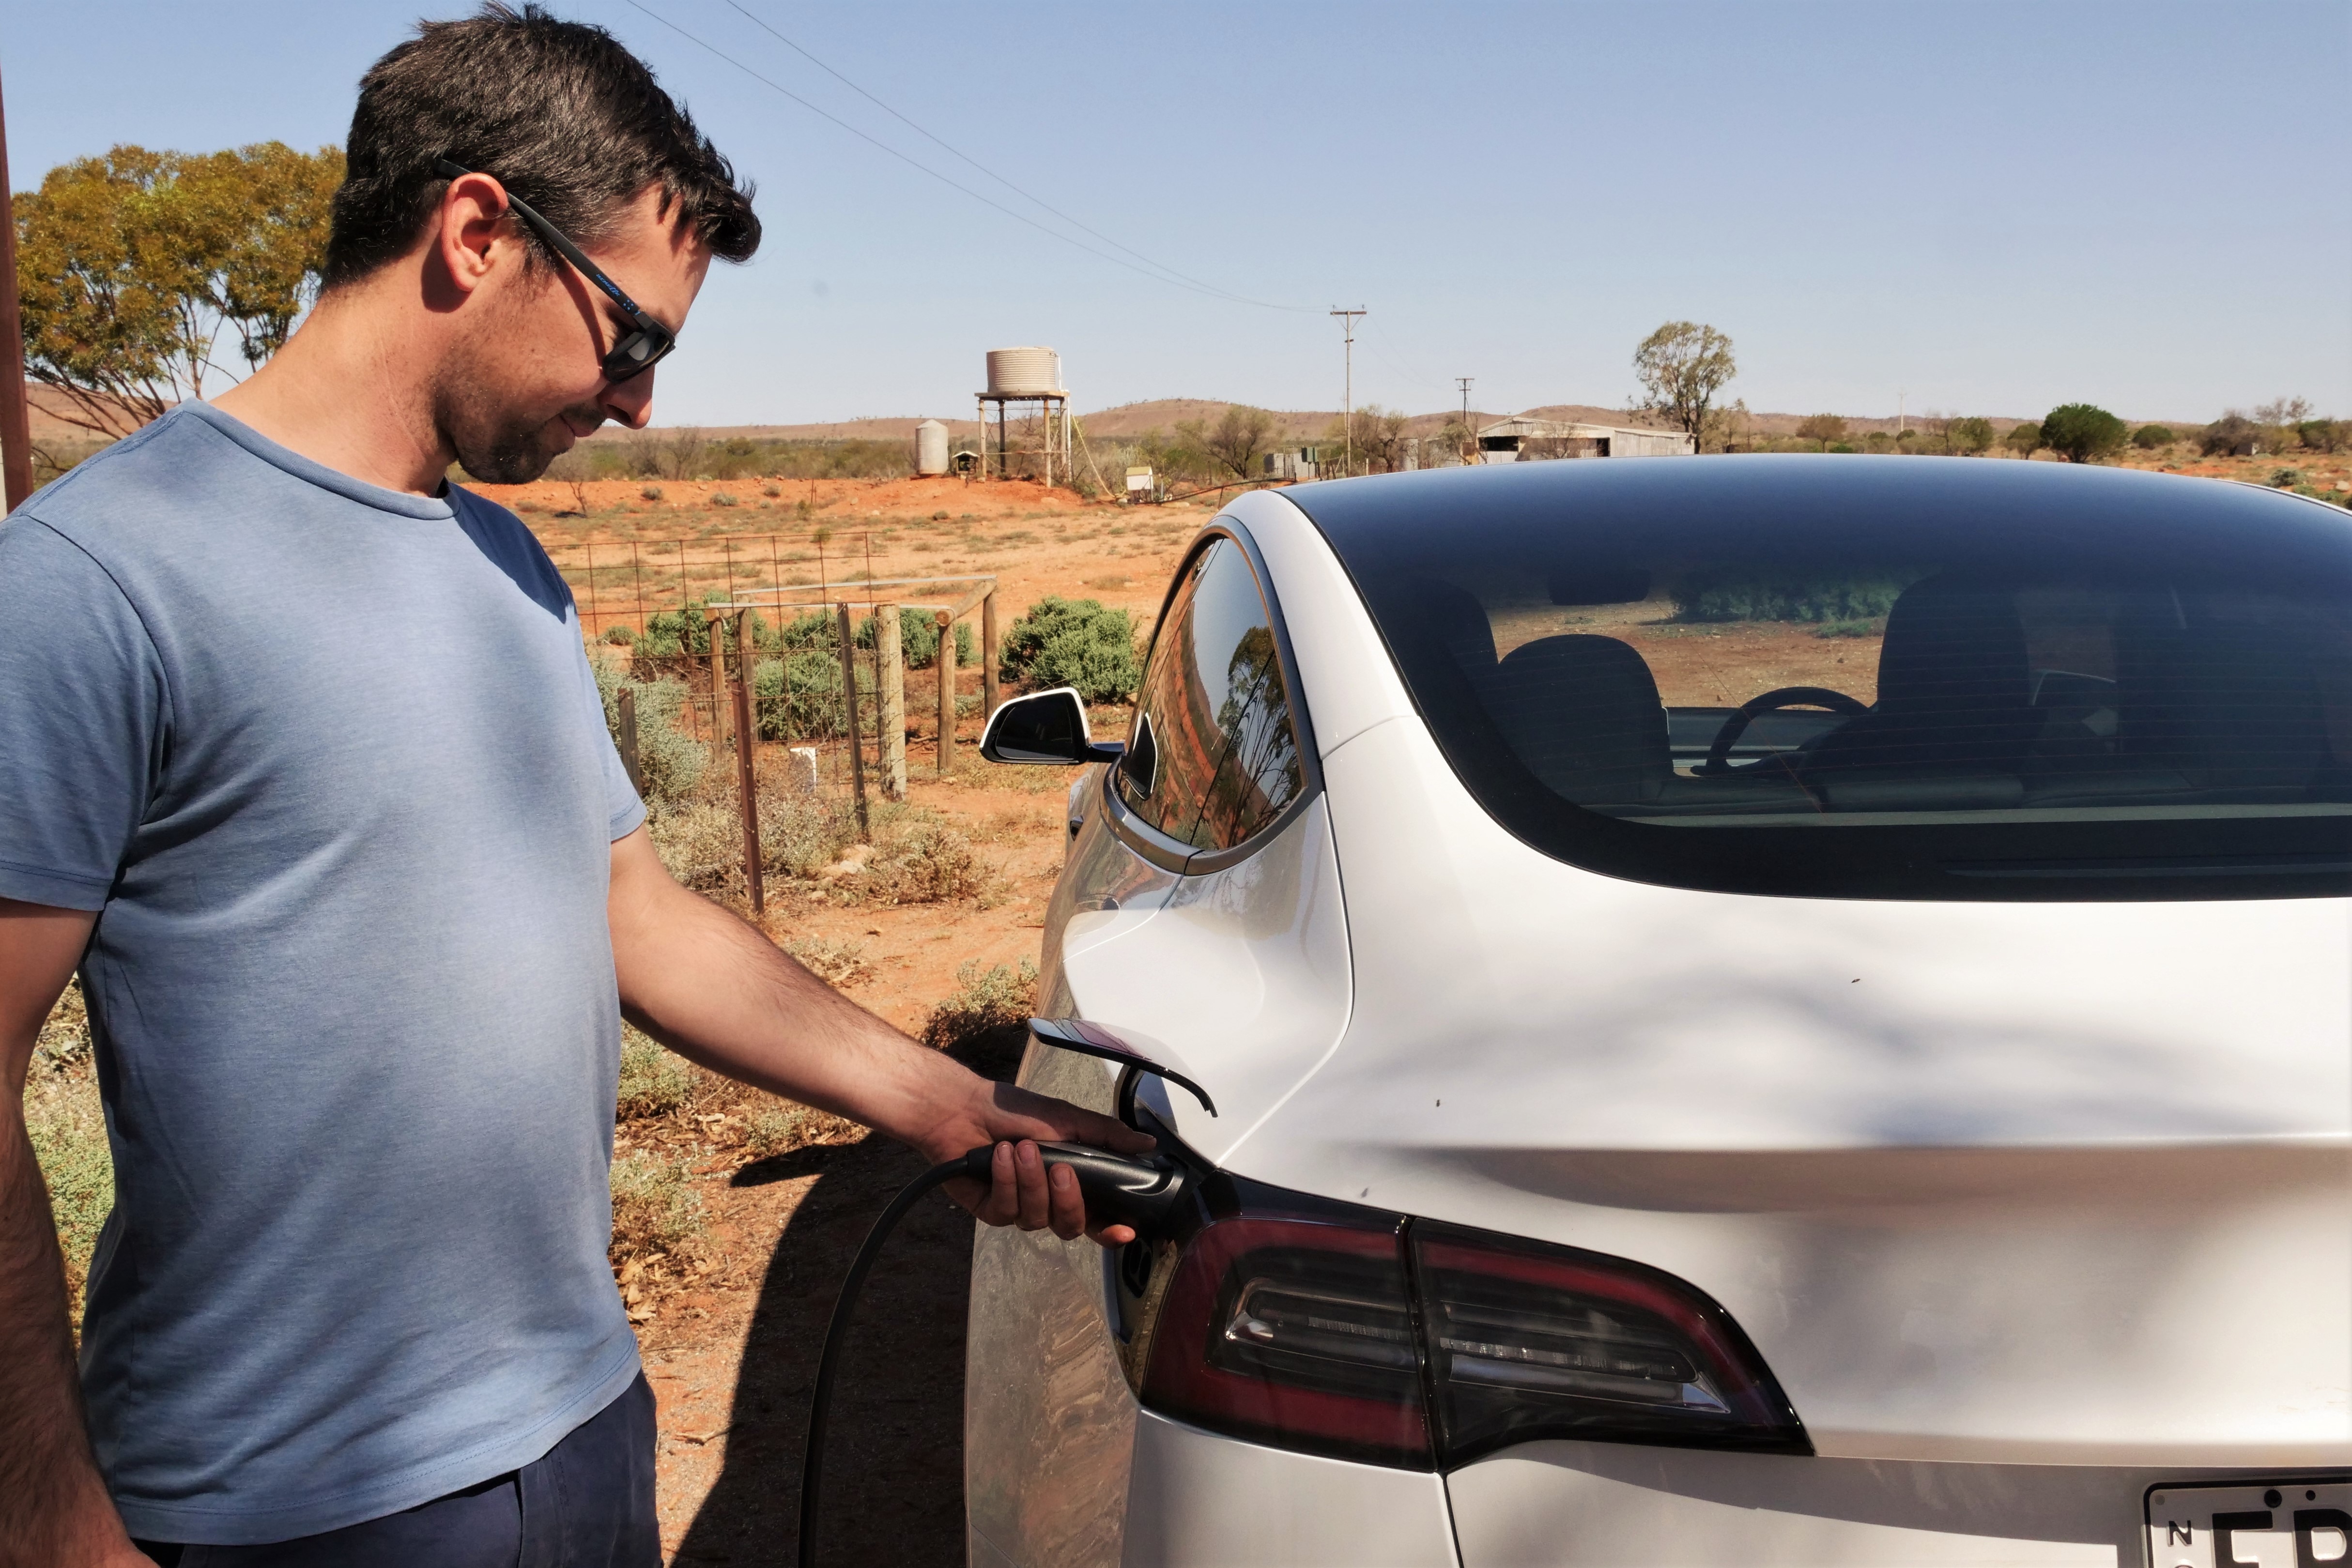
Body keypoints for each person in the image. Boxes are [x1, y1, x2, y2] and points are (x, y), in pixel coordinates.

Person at [0, 7, 1149, 1564]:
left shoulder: (508, 568)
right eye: (634, 335)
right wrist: (52, 1527)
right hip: (285, 1507)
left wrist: (950, 1108)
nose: (641, 403)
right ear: (478, 232)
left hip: (583, 1430)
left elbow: (634, 910)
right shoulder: (94, 581)